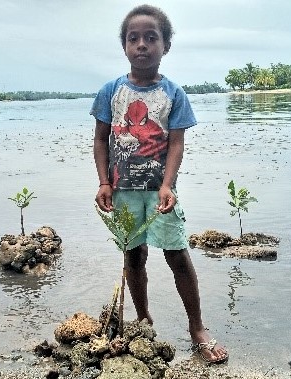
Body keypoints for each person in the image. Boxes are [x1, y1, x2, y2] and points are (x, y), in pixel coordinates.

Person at [91, 4, 228, 364]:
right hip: (122, 192)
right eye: (133, 38)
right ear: (124, 46)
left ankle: (196, 327)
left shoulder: (173, 94)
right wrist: (104, 182)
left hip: (160, 192)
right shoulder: (110, 92)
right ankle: (143, 319)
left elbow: (176, 143)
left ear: (165, 45)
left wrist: (169, 185)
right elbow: (101, 139)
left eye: (151, 38)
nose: (141, 45)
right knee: (133, 257)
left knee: (178, 255)